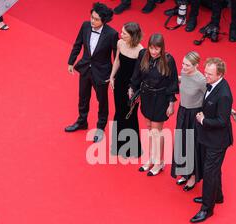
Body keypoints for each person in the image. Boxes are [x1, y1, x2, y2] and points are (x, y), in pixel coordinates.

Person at [65, 2, 119, 143]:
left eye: (96, 19)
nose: (92, 21)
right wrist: (71, 61)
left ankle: (100, 128)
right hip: (85, 68)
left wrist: (114, 76)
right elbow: (78, 44)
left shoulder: (112, 34)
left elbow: (116, 56)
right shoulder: (85, 26)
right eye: (92, 17)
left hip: (102, 73)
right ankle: (82, 121)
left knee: (102, 101)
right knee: (83, 97)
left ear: (104, 20)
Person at [129, 33, 179, 176]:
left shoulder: (168, 60)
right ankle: (151, 158)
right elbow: (137, 73)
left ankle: (159, 162)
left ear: (162, 48)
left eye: (157, 49)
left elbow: (172, 82)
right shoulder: (143, 54)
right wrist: (132, 87)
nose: (154, 51)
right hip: (146, 96)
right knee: (150, 128)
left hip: (161, 98)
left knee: (157, 132)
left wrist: (171, 103)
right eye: (151, 48)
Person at [191, 58, 233, 223]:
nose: (205, 76)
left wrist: (203, 120)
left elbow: (221, 122)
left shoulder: (223, 94)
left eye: (209, 74)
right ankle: (217, 196)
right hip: (209, 137)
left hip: (217, 141)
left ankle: (207, 209)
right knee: (214, 170)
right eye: (205, 72)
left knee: (209, 172)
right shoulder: (215, 84)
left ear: (220, 74)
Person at [171, 51, 206, 192]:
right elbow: (182, 79)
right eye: (183, 63)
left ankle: (192, 176)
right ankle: (185, 172)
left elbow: (211, 97)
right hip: (182, 112)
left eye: (187, 65)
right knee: (181, 142)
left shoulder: (201, 80)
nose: (184, 67)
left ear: (196, 65)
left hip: (194, 115)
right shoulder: (184, 73)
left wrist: (230, 110)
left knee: (192, 146)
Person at [109, 22, 144, 158]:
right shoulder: (120, 43)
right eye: (121, 31)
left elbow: (140, 72)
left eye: (124, 33)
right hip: (119, 83)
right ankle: (118, 146)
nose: (121, 34)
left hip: (132, 87)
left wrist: (134, 89)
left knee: (130, 114)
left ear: (133, 36)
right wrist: (112, 76)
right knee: (119, 112)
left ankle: (132, 149)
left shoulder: (141, 51)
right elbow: (117, 60)